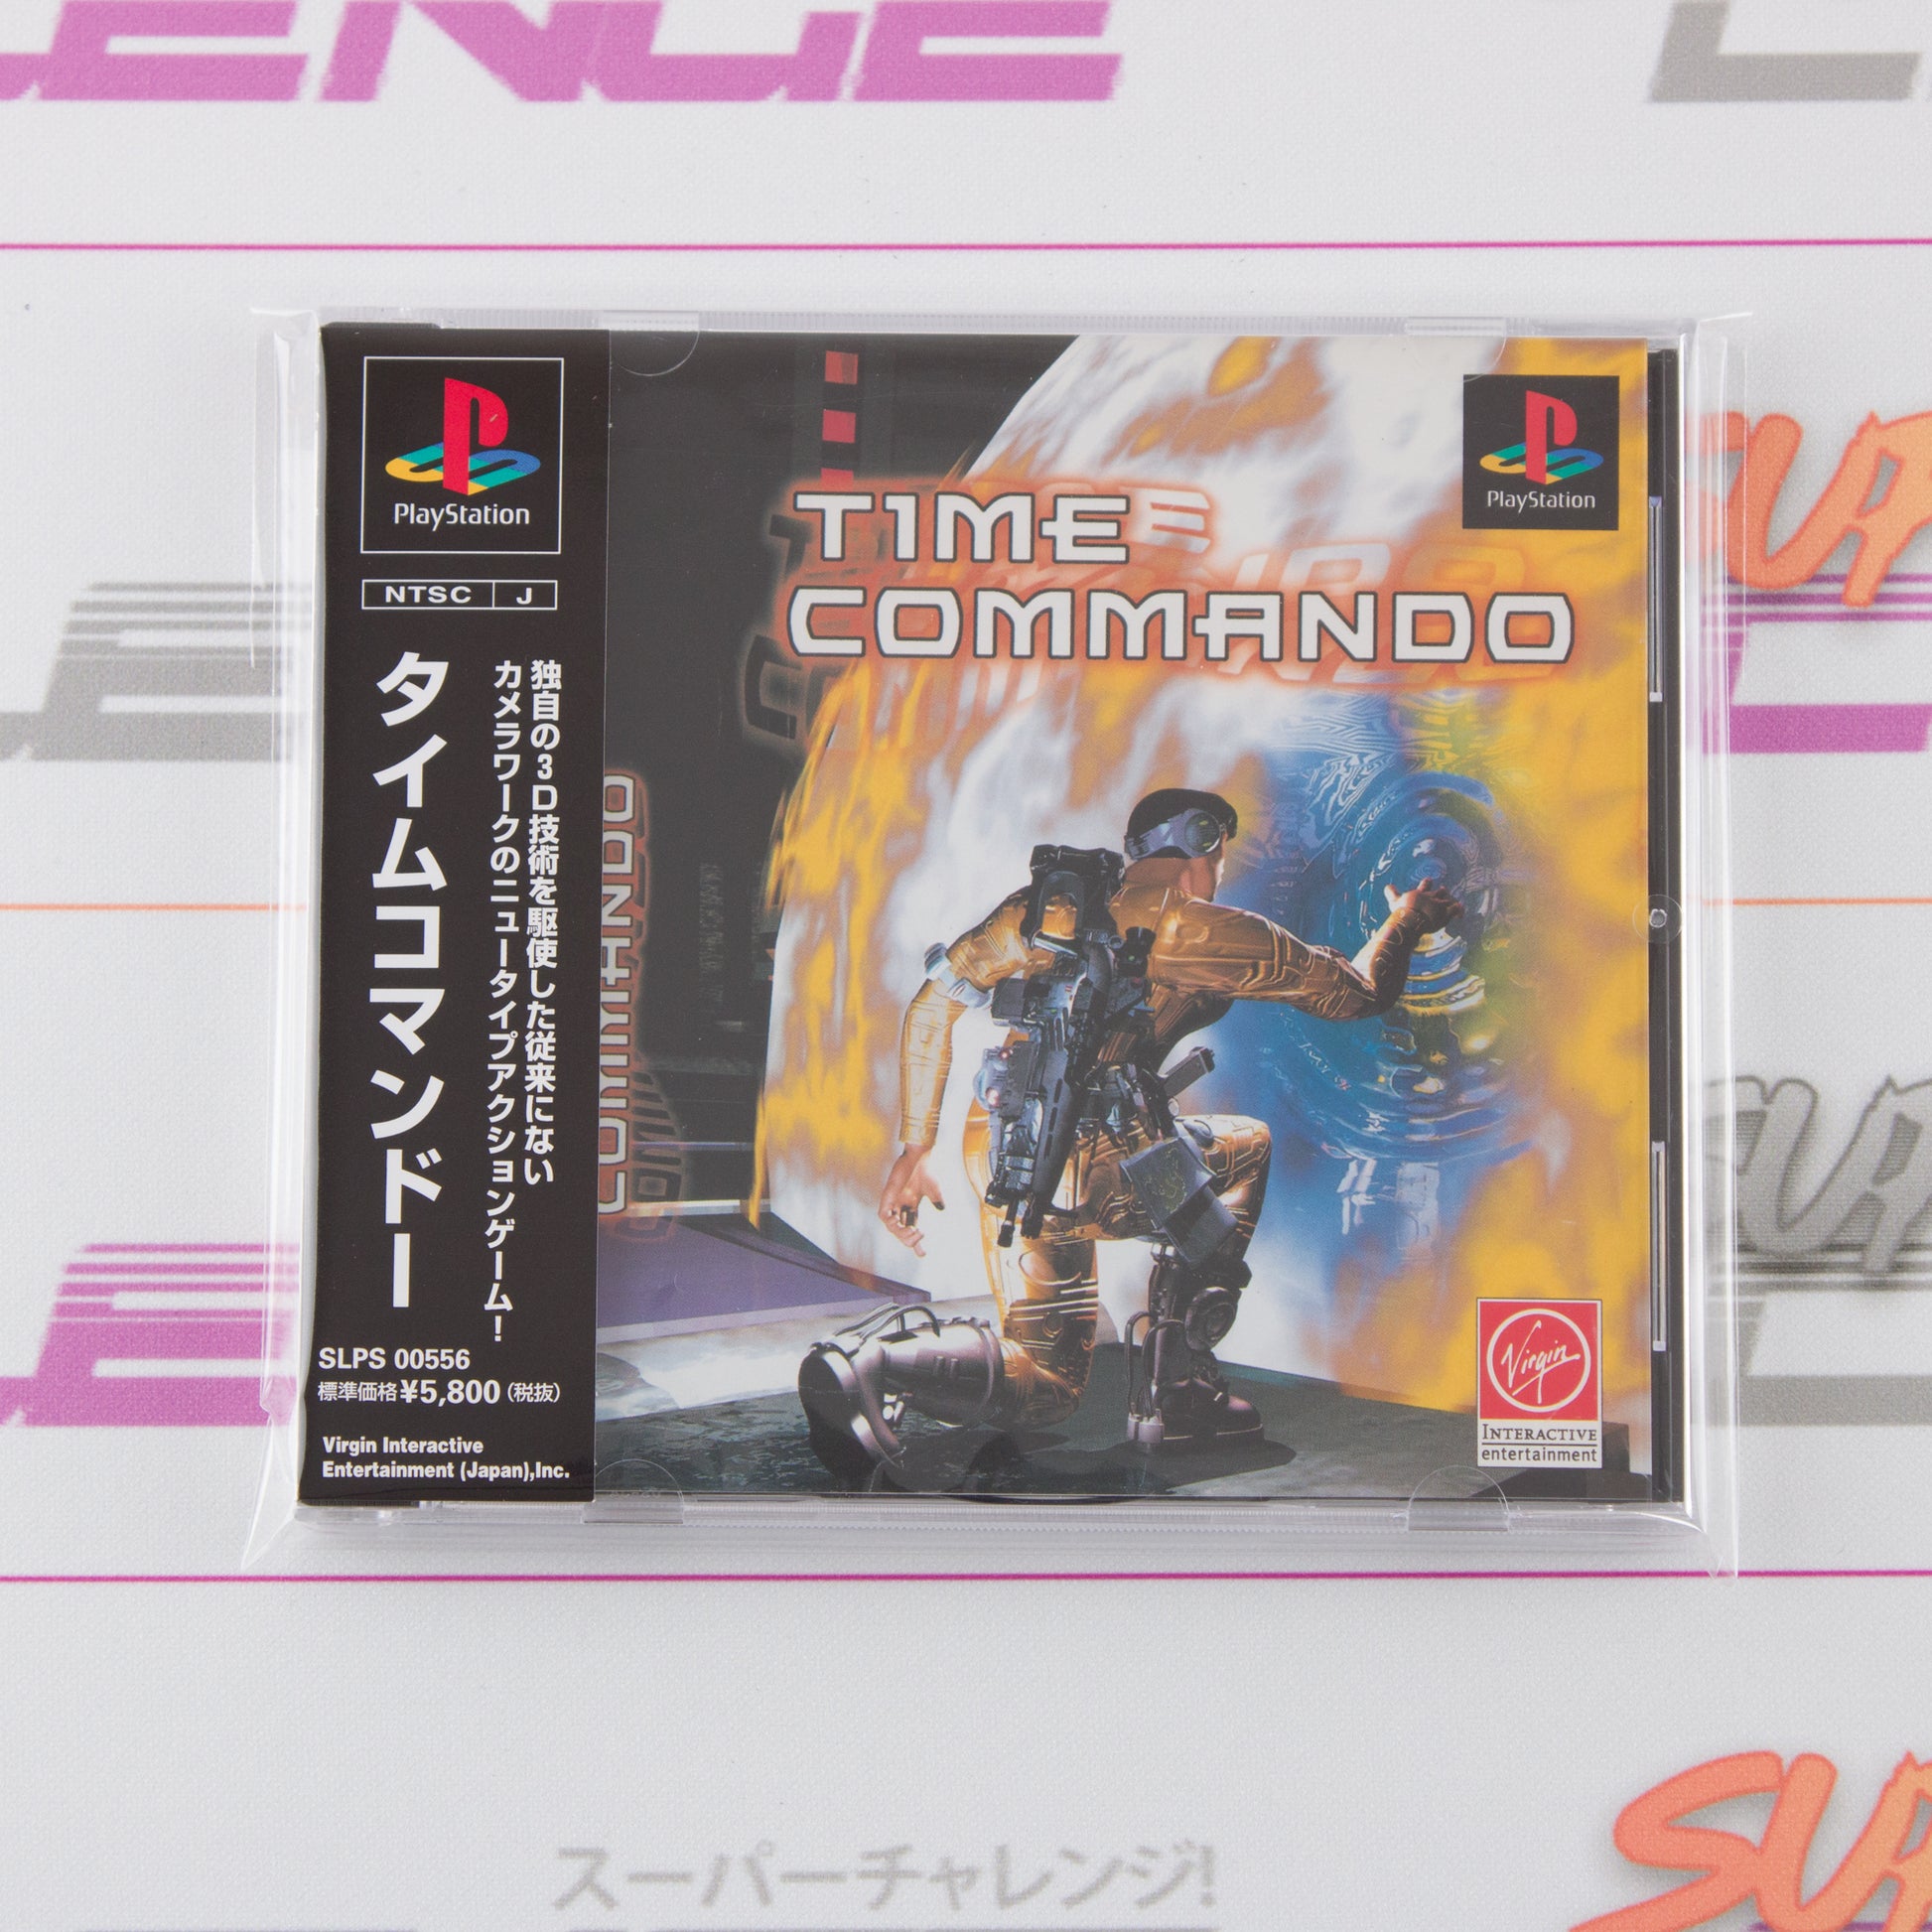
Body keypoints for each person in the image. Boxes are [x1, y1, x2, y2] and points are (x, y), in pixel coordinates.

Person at [797, 785, 1462, 1473]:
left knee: (1045, 1383)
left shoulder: (1040, 912)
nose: (1219, 873)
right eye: (1219, 857)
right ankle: (1178, 1393)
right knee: (1248, 1149)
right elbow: (1359, 991)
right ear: (1202, 845)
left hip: (1002, 1150)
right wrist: (1408, 920)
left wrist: (914, 1149)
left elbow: (932, 1007)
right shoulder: (1201, 931)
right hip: (1111, 1159)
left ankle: (875, 1361)